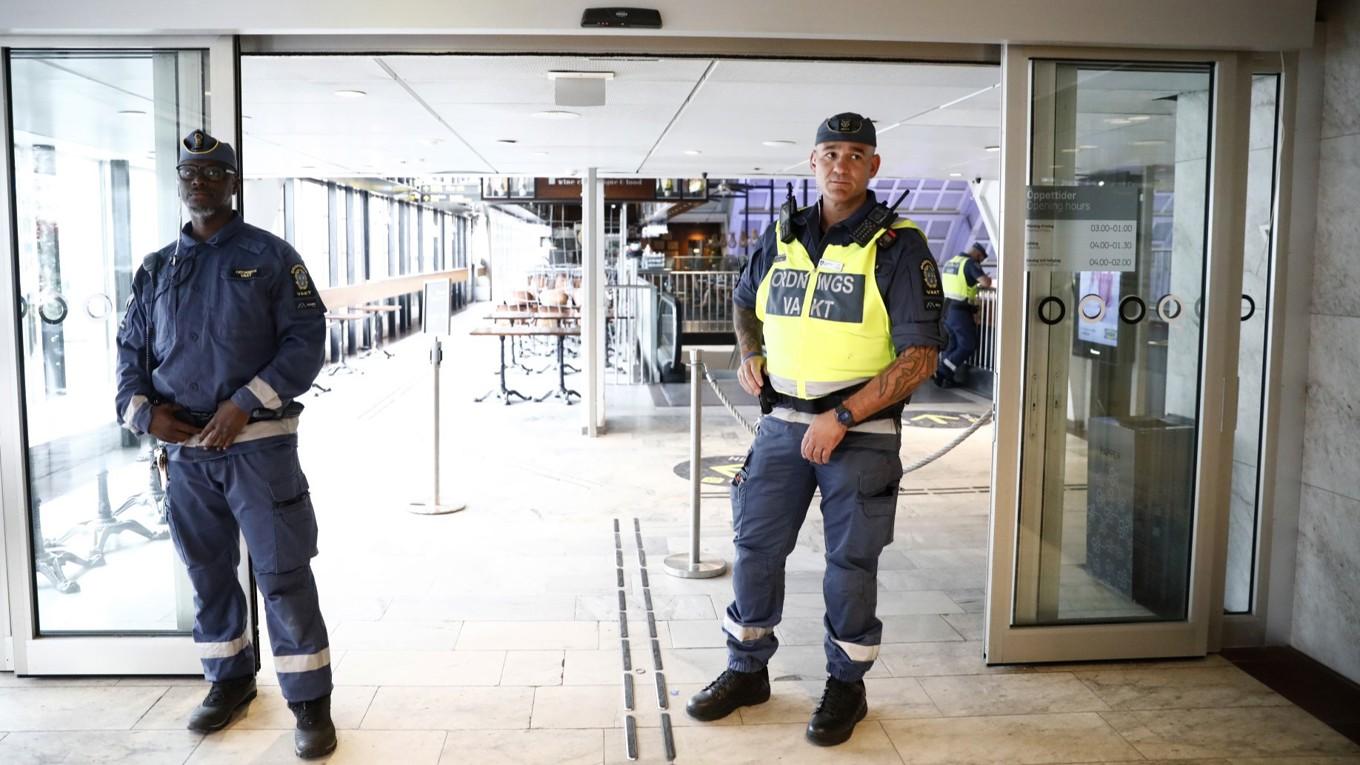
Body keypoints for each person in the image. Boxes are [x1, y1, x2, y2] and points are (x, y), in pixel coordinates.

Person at [686, 113, 944, 746]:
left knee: (849, 562)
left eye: (855, 154)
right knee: (755, 547)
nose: (841, 164)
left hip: (863, 431)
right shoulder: (783, 234)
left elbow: (920, 358)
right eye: (830, 153)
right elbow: (746, 300)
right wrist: (749, 353)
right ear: (812, 161)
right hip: (781, 425)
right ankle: (746, 671)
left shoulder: (899, 246)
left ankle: (846, 687)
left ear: (873, 166)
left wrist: (843, 416)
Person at [114, 130, 336, 759]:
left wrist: (244, 403)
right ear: (180, 183)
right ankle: (229, 681)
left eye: (214, 173)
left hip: (258, 449)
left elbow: (305, 340)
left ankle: (309, 702)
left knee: (282, 574)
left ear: (233, 183)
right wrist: (142, 414)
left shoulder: (271, 257)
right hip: (184, 455)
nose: (200, 183)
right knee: (208, 574)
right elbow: (130, 350)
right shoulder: (157, 267)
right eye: (190, 173)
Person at [934, 241, 993, 387]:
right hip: (959, 311)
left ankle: (944, 377)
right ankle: (942, 370)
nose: (980, 262)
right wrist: (985, 277)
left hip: (946, 309)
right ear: (978, 255)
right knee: (968, 344)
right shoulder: (970, 263)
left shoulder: (950, 262)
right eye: (981, 259)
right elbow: (985, 282)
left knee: (952, 344)